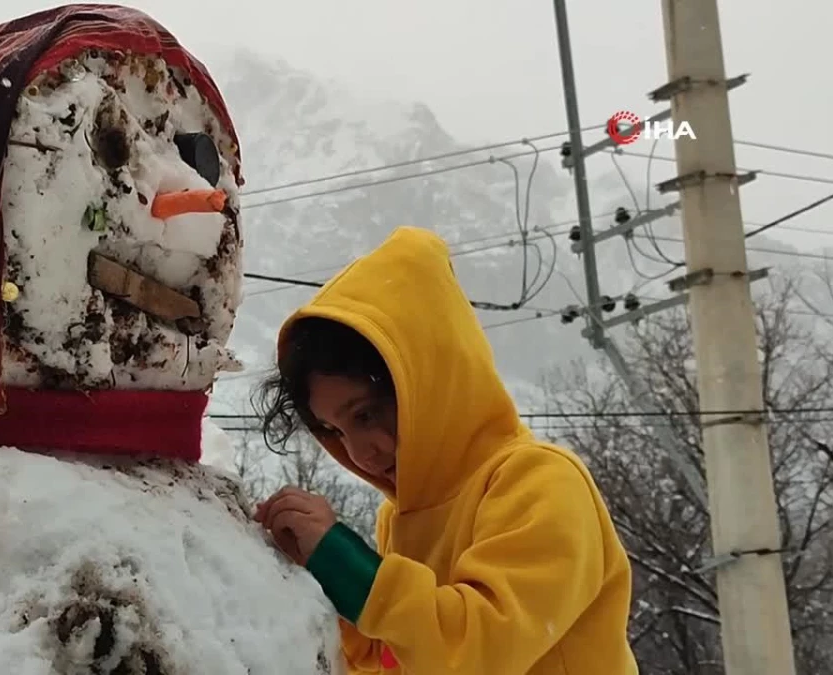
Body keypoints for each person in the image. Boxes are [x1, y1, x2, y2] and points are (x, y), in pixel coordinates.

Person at [251, 226, 639, 674]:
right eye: (333, 430)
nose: (360, 454)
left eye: (365, 415)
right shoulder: (399, 518)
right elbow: (400, 657)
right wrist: (321, 579)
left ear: (431, 383)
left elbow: (478, 649)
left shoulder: (540, 480)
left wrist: (350, 569)